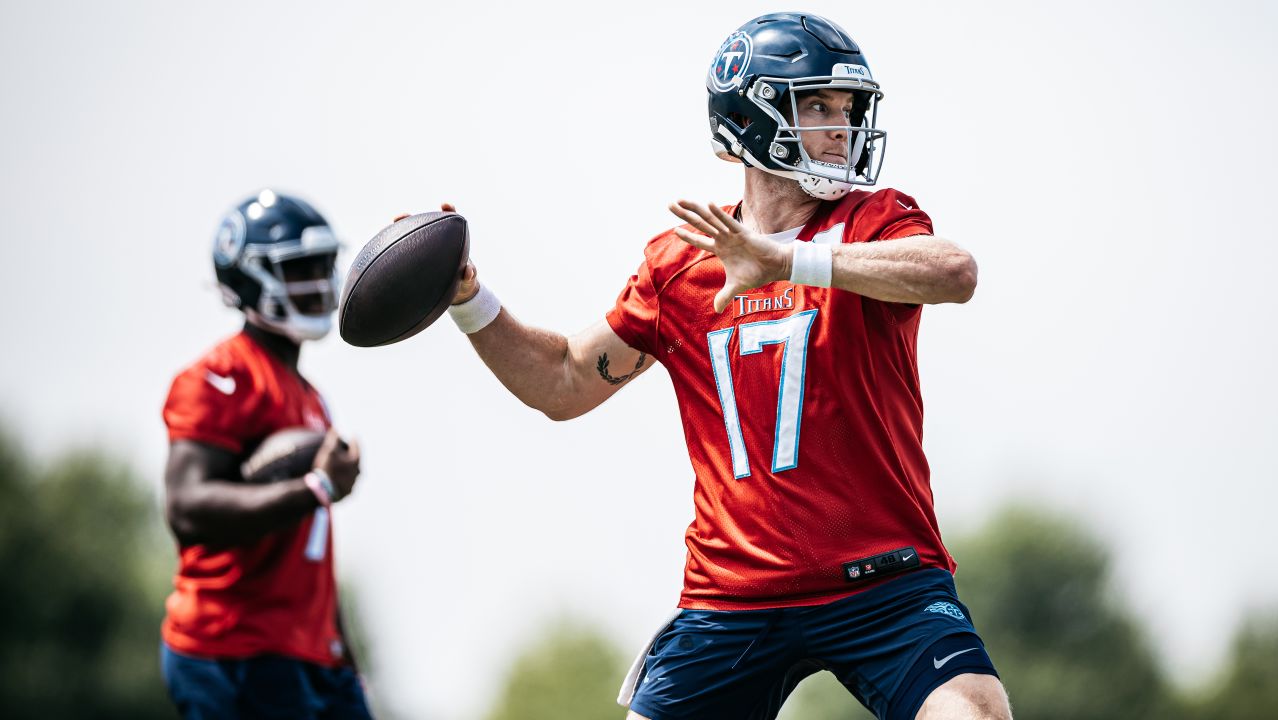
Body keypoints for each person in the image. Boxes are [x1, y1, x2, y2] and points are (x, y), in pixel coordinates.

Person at [442, 12, 1011, 720]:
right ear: (752, 114)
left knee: (973, 717)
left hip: (884, 583)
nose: (842, 127)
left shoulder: (874, 223)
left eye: (848, 109)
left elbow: (953, 271)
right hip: (734, 596)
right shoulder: (679, 264)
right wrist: (468, 301)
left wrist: (783, 259)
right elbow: (562, 382)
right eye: (818, 106)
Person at [159, 190, 372, 719]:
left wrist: (342, 650)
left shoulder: (311, 398)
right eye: (302, 267)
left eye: (324, 266)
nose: (321, 282)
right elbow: (186, 509)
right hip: (232, 648)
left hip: (308, 652)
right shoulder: (220, 378)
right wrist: (316, 487)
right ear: (251, 276)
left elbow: (309, 555)